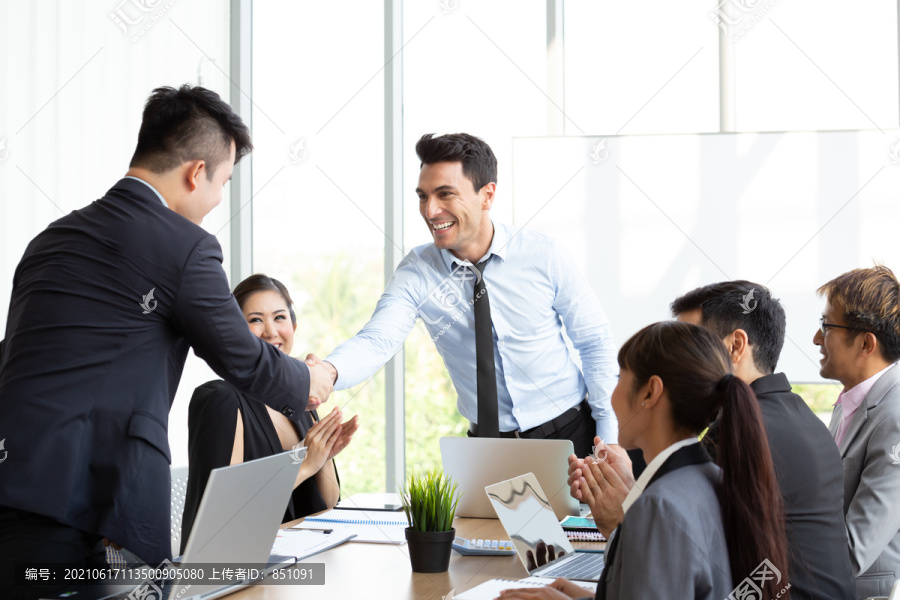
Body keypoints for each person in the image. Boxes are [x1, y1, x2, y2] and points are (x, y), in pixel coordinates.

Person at [0, 85, 334, 597]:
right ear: (196, 172)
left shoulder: (51, 238)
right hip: (72, 503)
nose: (217, 200)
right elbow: (244, 361)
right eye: (222, 182)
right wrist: (313, 379)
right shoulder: (184, 245)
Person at [308, 133, 633, 467]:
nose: (431, 210)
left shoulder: (543, 255)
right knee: (485, 524)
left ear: (486, 195)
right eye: (423, 196)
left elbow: (593, 342)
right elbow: (378, 340)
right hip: (488, 451)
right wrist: (330, 372)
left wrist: (607, 440)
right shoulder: (418, 271)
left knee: (583, 522)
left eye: (445, 194)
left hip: (571, 437)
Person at [502, 321, 790, 600]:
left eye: (619, 378)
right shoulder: (715, 479)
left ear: (650, 392)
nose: (611, 396)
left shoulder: (658, 505)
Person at [671, 281, 854, 600]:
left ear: (735, 346)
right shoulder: (802, 415)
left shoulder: (742, 430)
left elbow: (680, 551)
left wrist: (621, 514)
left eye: (687, 347)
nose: (674, 363)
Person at [180, 274, 359, 551]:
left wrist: (323, 457)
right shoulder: (220, 400)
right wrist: (304, 464)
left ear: (294, 327)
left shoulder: (301, 403)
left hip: (297, 563)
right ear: (234, 333)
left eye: (279, 318)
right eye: (255, 320)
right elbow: (226, 519)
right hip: (233, 573)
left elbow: (329, 506)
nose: (270, 331)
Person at [815, 266, 900, 599]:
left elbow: (853, 550)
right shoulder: (851, 399)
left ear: (866, 343)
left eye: (826, 326)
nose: (816, 338)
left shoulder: (894, 416)